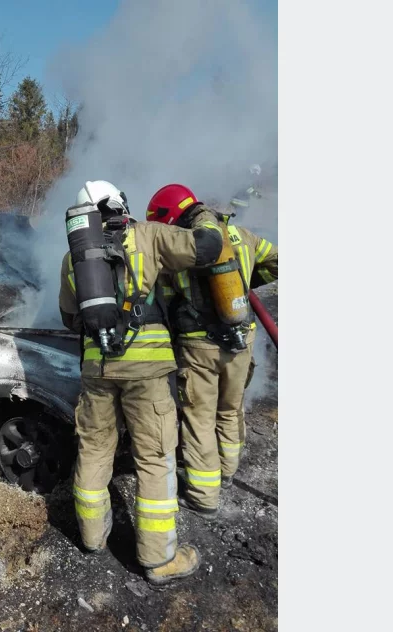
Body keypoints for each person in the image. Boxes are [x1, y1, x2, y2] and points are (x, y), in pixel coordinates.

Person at [59, 180, 223, 585]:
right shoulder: (149, 235)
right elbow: (207, 249)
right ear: (120, 205)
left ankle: (93, 538)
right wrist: (201, 215)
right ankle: (158, 558)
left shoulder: (73, 258)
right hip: (147, 371)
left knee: (94, 451)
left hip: (96, 370)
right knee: (154, 457)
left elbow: (70, 318)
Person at [147, 183, 278, 517]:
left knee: (199, 419)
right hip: (242, 338)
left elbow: (163, 298)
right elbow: (277, 261)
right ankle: (228, 473)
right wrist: (247, 282)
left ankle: (203, 496)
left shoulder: (181, 246)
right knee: (231, 409)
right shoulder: (241, 236)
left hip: (199, 346)